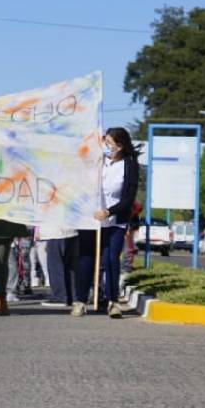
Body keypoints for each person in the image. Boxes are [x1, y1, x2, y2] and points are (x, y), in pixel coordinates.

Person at [74, 127, 140, 318]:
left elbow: (128, 198)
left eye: (109, 143)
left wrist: (109, 212)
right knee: (86, 258)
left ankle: (112, 301)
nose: (105, 145)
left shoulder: (130, 165)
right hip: (91, 218)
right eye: (105, 141)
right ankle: (80, 300)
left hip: (115, 219)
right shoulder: (96, 161)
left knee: (111, 258)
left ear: (119, 146)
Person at [37, 223, 78, 308]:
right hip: (71, 229)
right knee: (69, 266)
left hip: (56, 231)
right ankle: (72, 296)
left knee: (55, 266)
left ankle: (60, 296)